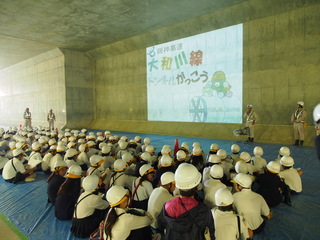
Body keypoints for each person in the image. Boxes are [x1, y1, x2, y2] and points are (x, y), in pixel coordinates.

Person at [157, 163, 215, 240]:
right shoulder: (204, 210)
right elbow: (211, 233)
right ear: (197, 186)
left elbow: (161, 224)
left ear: (178, 185)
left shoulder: (167, 206)